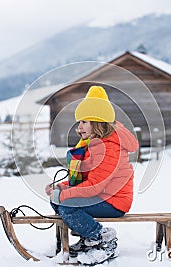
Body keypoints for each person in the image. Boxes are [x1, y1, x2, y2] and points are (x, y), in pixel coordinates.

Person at [44, 85, 139, 259]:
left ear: (98, 122)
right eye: (79, 122)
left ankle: (103, 239)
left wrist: (65, 195)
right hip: (103, 195)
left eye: (84, 122)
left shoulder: (108, 146)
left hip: (114, 201)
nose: (79, 127)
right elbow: (88, 178)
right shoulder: (93, 143)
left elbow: (95, 185)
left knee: (66, 206)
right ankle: (88, 239)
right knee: (58, 202)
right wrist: (61, 187)